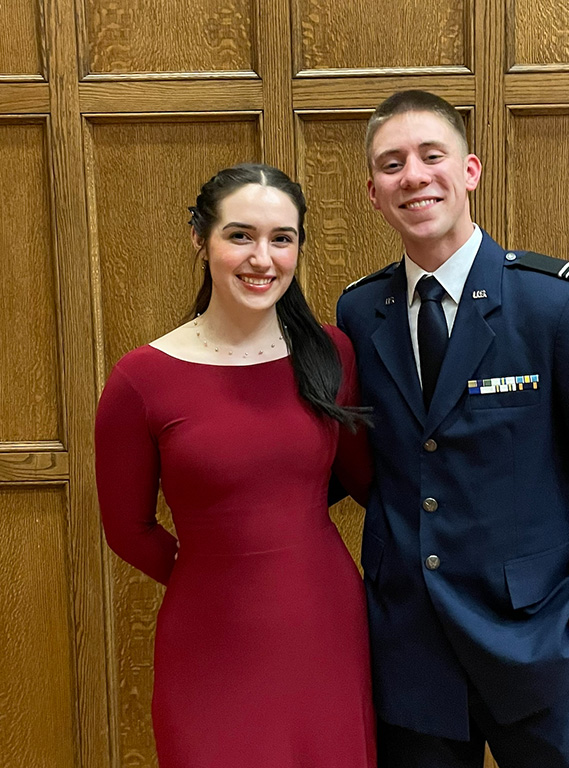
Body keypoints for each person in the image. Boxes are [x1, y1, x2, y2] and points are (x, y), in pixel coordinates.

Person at [336, 90, 569, 768]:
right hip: (412, 657)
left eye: (433, 156)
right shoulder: (361, 312)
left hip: (542, 649)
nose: (414, 176)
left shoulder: (556, 303)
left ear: (470, 170)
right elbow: (377, 463)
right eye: (392, 164)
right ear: (373, 192)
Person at [95, 163, 376, 768]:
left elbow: (366, 481)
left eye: (282, 238)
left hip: (325, 623)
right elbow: (126, 529)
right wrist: (217, 575)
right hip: (208, 636)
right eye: (240, 235)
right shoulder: (139, 379)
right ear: (201, 240)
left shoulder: (331, 353)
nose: (263, 258)